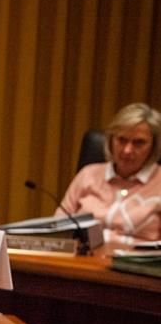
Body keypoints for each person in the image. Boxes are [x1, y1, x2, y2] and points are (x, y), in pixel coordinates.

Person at [58, 103, 161, 242]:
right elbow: (57, 229)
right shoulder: (88, 175)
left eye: (139, 143)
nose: (127, 150)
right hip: (81, 260)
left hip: (136, 262)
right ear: (110, 140)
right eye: (121, 140)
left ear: (154, 147)